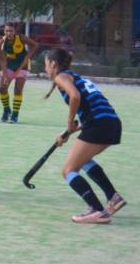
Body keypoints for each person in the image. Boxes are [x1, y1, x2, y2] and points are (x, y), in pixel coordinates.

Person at [44, 48, 126, 224]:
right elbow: (91, 110)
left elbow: (75, 97)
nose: (46, 70)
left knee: (68, 170)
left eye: (46, 65)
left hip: (99, 125)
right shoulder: (75, 76)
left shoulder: (61, 77)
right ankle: (113, 197)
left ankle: (97, 211)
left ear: (53, 63)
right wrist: (69, 131)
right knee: (84, 161)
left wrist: (69, 124)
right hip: (111, 123)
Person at [0, 23, 38, 123]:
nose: (9, 33)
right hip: (9, 64)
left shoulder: (21, 38)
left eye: (11, 31)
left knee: (18, 90)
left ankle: (15, 114)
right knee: (3, 88)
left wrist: (28, 57)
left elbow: (35, 45)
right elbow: (2, 60)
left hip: (23, 64)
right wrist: (6, 75)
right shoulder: (1, 42)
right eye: (7, 31)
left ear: (15, 31)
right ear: (4, 32)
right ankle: (6, 110)